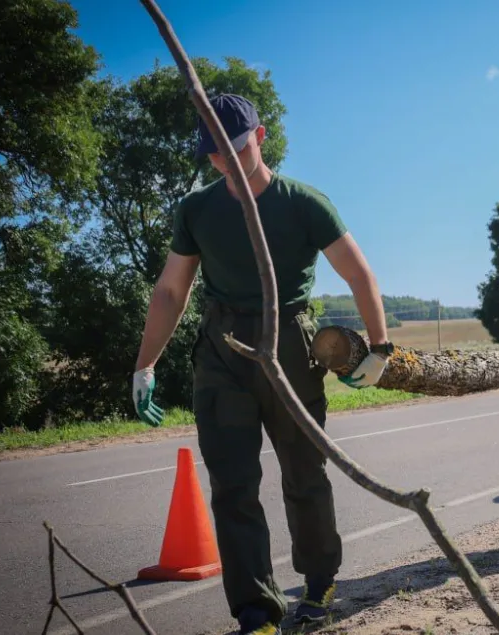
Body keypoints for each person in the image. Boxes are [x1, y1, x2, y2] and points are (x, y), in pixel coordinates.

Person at [129, 94, 393, 635]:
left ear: (261, 137)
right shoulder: (197, 209)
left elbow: (359, 274)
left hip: (289, 348)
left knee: (304, 475)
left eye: (237, 145)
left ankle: (318, 585)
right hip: (222, 353)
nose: (225, 159)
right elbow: (171, 290)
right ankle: (256, 611)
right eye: (215, 152)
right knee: (233, 485)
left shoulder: (303, 203)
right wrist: (145, 364)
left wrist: (381, 349)